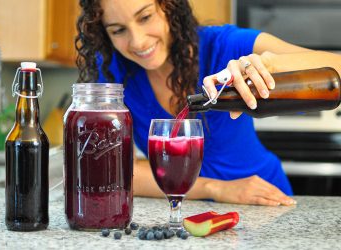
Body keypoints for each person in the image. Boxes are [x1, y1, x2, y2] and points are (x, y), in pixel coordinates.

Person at [75, 0, 341, 206]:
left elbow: (337, 67)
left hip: (263, 199)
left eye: (145, 17)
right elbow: (111, 169)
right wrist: (216, 188)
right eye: (118, 30)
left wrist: (270, 64)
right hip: (189, 206)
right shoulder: (111, 73)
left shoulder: (226, 45)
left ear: (167, 6)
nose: (138, 41)